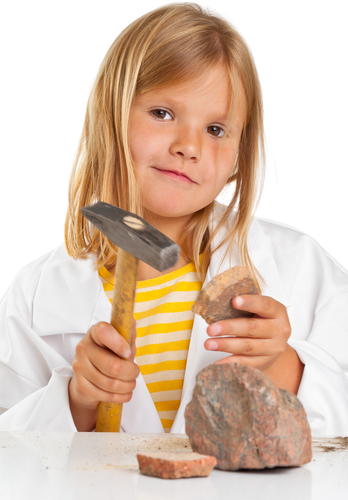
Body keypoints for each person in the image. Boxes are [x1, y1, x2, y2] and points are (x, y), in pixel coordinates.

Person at [0, 2, 348, 436]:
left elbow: (338, 422)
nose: (189, 146)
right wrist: (78, 401)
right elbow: (12, 454)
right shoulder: (36, 297)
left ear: (239, 153)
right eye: (162, 113)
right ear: (111, 116)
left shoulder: (301, 270)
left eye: (216, 129)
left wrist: (281, 367)